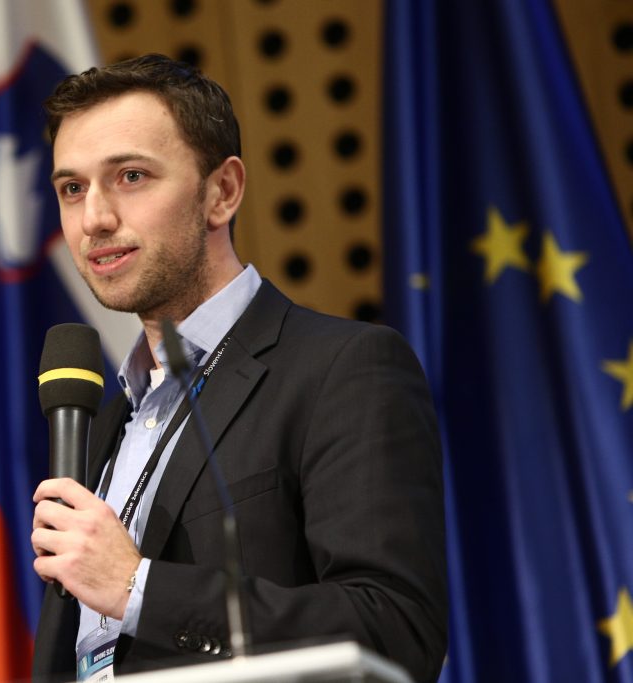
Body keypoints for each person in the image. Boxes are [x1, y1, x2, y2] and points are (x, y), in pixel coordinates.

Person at [30, 54, 447, 683]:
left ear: (221, 191)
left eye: (132, 176)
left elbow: (393, 627)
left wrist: (138, 586)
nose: (94, 219)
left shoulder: (341, 368)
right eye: (72, 189)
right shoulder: (108, 418)